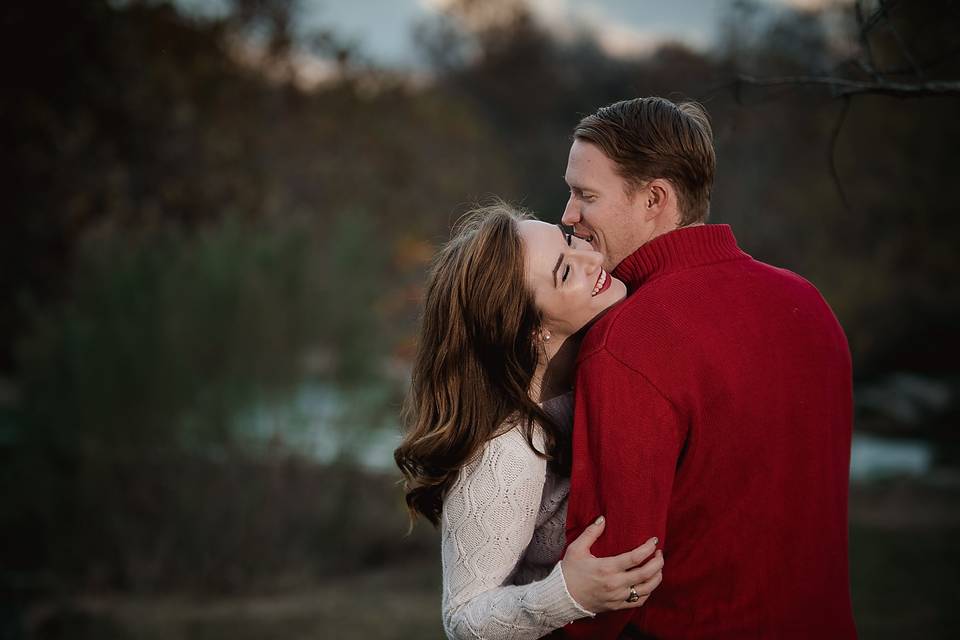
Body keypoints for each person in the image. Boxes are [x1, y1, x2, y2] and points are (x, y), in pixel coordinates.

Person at [555, 97, 857, 639]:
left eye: (585, 195)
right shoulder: (808, 302)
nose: (568, 214)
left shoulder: (630, 337)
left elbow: (615, 573)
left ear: (654, 199)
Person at [394, 203, 666, 640]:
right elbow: (463, 618)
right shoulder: (507, 448)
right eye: (564, 272)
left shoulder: (601, 370)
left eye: (570, 241)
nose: (593, 259)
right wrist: (567, 593)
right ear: (529, 330)